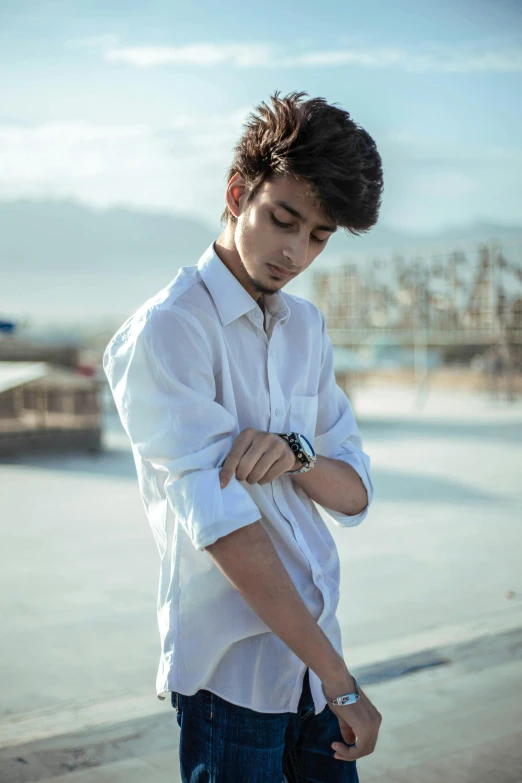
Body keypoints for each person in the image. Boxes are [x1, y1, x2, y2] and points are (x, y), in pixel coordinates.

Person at [103, 90, 384, 782]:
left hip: (312, 674)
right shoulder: (169, 331)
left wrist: (297, 450)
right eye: (283, 219)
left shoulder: (306, 329)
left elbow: (353, 493)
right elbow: (227, 528)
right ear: (237, 192)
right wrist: (343, 680)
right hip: (233, 686)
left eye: (318, 236)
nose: (295, 252)